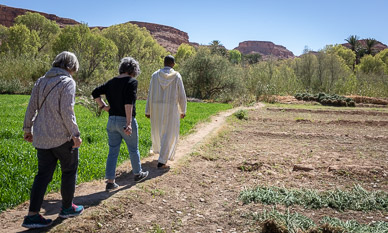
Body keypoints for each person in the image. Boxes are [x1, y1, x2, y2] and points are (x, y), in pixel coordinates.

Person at [22, 51, 84, 229]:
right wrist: (75, 134)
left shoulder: (40, 81)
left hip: (41, 137)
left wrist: (28, 129)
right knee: (69, 171)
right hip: (62, 137)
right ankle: (67, 208)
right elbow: (67, 111)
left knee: (42, 176)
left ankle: (32, 216)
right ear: (71, 66)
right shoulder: (67, 82)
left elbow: (31, 107)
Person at [92, 57, 149, 191]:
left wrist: (104, 106)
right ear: (133, 70)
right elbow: (128, 103)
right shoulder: (131, 82)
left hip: (112, 121)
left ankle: (110, 181)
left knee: (113, 151)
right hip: (125, 120)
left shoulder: (111, 82)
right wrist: (129, 124)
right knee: (133, 149)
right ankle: (137, 173)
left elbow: (95, 92)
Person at [145, 55, 187, 169]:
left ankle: (160, 154)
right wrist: (183, 110)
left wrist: (148, 110)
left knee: (158, 130)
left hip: (156, 108)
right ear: (173, 64)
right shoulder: (177, 76)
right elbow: (182, 95)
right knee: (169, 132)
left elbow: (150, 93)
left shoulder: (154, 75)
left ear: (164, 63)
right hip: (171, 108)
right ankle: (162, 160)